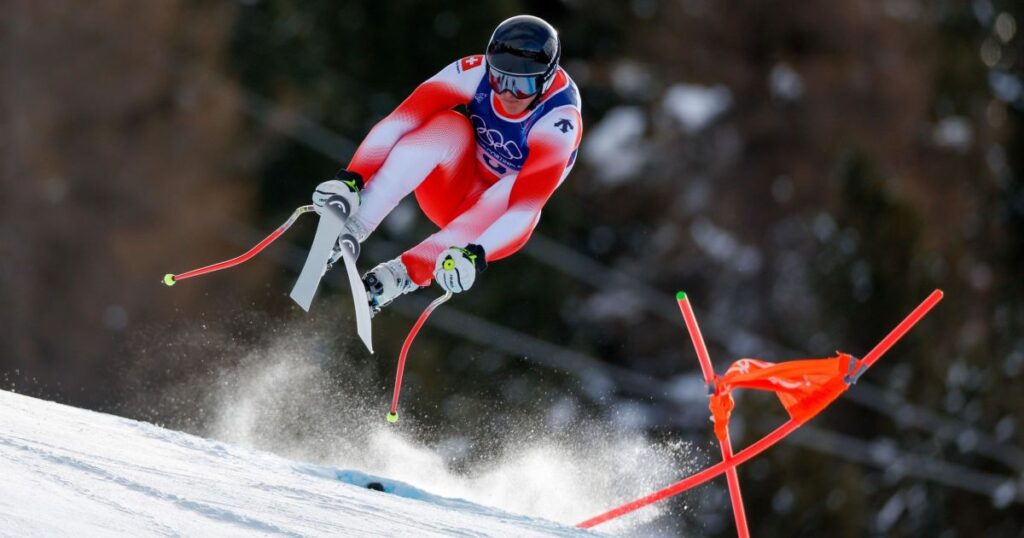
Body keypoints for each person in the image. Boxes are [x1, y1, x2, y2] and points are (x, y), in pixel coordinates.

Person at [311, 15, 583, 314]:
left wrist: (475, 255)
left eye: (522, 85)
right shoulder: (474, 72)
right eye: (499, 79)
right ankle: (353, 226)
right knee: (448, 126)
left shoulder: (558, 120)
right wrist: (352, 177)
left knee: (511, 188)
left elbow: (524, 208)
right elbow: (399, 121)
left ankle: (400, 275)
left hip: (491, 227)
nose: (507, 94)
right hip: (450, 189)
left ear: (545, 80)